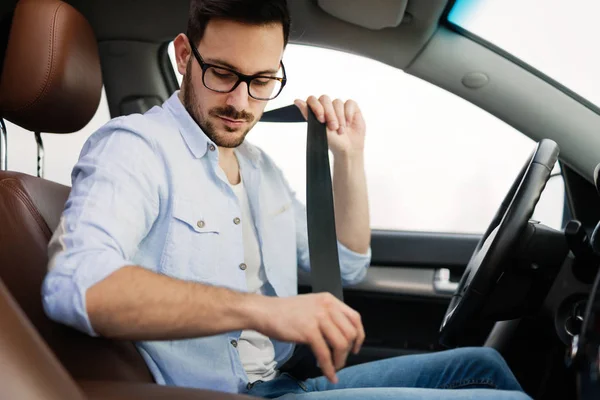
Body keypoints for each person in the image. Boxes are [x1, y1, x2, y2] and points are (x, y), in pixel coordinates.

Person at [41, 0, 531, 398]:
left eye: (261, 81)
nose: (240, 101)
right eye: (222, 73)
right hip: (227, 392)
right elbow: (76, 285)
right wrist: (262, 311)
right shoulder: (134, 148)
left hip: (288, 381)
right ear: (185, 56)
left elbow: (347, 264)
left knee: (484, 365)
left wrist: (348, 158)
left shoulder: (259, 168)